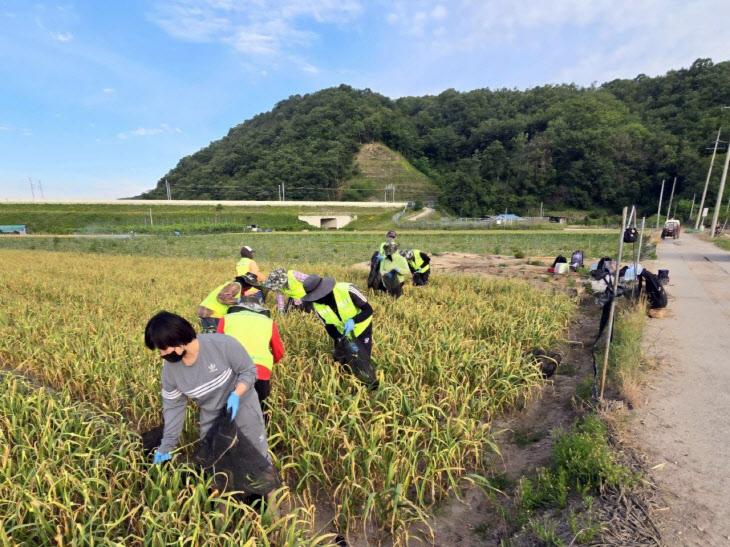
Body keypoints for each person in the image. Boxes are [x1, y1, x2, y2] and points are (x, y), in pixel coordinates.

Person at [144, 311, 268, 467]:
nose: (162, 355)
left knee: (257, 455)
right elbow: (173, 409)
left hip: (242, 407)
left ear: (178, 340)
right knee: (214, 460)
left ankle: (271, 490)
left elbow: (249, 371)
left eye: (163, 349)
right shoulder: (170, 373)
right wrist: (166, 446)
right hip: (211, 415)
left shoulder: (223, 345)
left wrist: (236, 394)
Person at [217, 304, 285, 424]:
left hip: (232, 370)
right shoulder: (268, 322)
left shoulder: (226, 319)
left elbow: (217, 346)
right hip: (260, 371)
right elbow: (279, 351)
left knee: (230, 411)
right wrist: (268, 364)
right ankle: (262, 436)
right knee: (261, 409)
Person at [300, 275, 374, 377]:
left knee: (362, 359)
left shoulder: (347, 289)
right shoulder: (315, 304)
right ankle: (347, 381)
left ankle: (365, 384)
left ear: (324, 291)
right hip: (342, 332)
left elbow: (368, 310)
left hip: (362, 328)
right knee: (342, 360)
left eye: (317, 296)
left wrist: (354, 320)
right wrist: (340, 339)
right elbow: (328, 326)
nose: (316, 300)